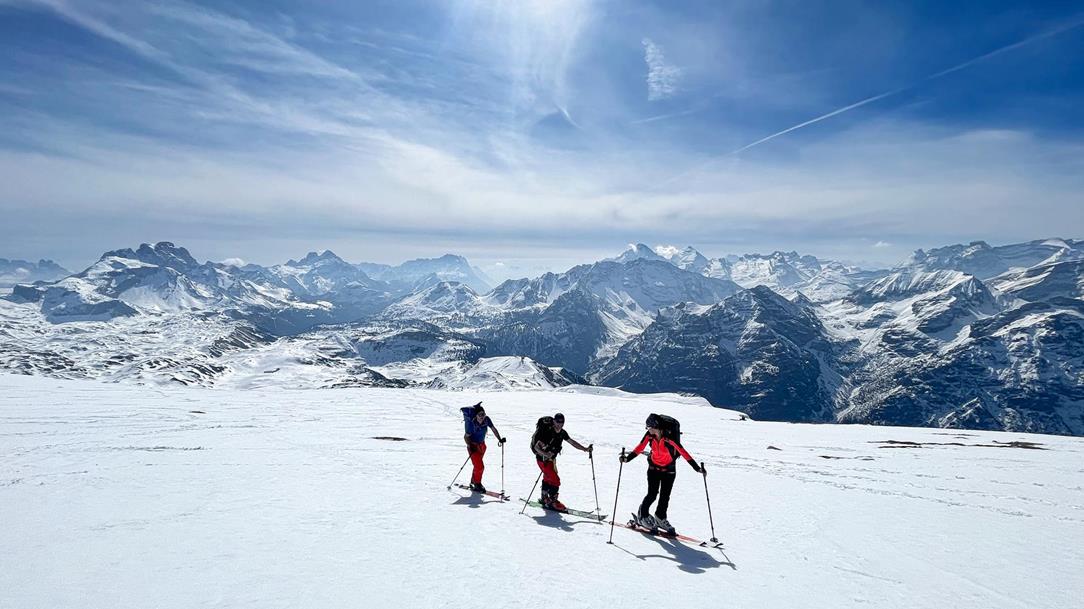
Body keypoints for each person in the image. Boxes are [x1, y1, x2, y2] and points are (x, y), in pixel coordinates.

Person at [620, 413, 703, 532]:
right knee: (652, 494)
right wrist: (627, 459)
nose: (648, 429)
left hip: (669, 470)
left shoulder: (669, 438)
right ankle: (642, 515)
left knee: (665, 497)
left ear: (655, 426)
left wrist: (697, 468)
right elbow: (640, 447)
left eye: (649, 427)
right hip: (653, 469)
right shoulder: (649, 436)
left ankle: (660, 517)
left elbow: (683, 452)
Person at [531, 412, 592, 511]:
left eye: (562, 422)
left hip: (551, 460)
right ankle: (552, 502)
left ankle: (545, 498)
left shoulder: (562, 433)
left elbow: (572, 442)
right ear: (554, 421)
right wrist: (546, 454)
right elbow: (536, 447)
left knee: (548, 478)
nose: (560, 424)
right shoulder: (548, 432)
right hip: (542, 460)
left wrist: (584, 449)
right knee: (555, 480)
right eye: (558, 422)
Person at [461, 402, 505, 493]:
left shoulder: (487, 419)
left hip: (482, 446)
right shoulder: (471, 424)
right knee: (479, 466)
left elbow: (493, 429)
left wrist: (499, 439)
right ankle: (477, 484)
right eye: (480, 414)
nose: (482, 416)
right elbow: (466, 437)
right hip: (473, 446)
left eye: (483, 414)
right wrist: (470, 446)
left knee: (477, 465)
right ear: (476, 415)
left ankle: (473, 481)